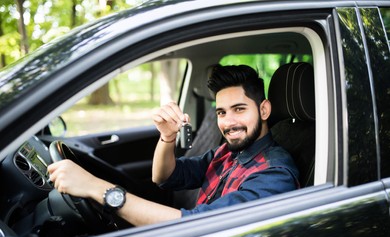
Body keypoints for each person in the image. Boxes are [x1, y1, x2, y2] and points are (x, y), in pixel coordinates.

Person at [48, 64, 299, 227]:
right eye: (221, 112)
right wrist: (167, 137)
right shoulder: (229, 152)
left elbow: (194, 225)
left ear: (264, 109)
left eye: (239, 109)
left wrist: (97, 188)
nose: (229, 122)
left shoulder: (275, 173)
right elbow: (165, 177)